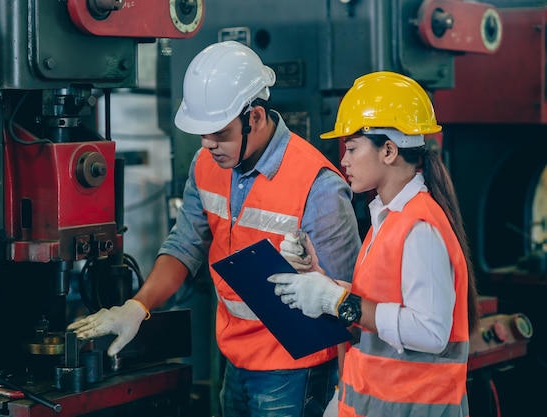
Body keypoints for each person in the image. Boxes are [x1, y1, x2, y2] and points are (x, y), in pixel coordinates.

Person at [67, 40, 362, 417]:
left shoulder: (317, 185)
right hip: (235, 359)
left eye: (218, 132)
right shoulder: (205, 165)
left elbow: (344, 301)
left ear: (254, 117)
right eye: (201, 133)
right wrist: (137, 306)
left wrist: (344, 388)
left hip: (294, 370)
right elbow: (184, 244)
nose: (207, 144)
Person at [269, 71, 480, 417]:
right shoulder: (387, 218)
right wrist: (318, 278)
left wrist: (337, 301)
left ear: (389, 150)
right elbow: (379, 304)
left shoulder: (419, 228)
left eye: (352, 148)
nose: (344, 161)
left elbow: (431, 332)